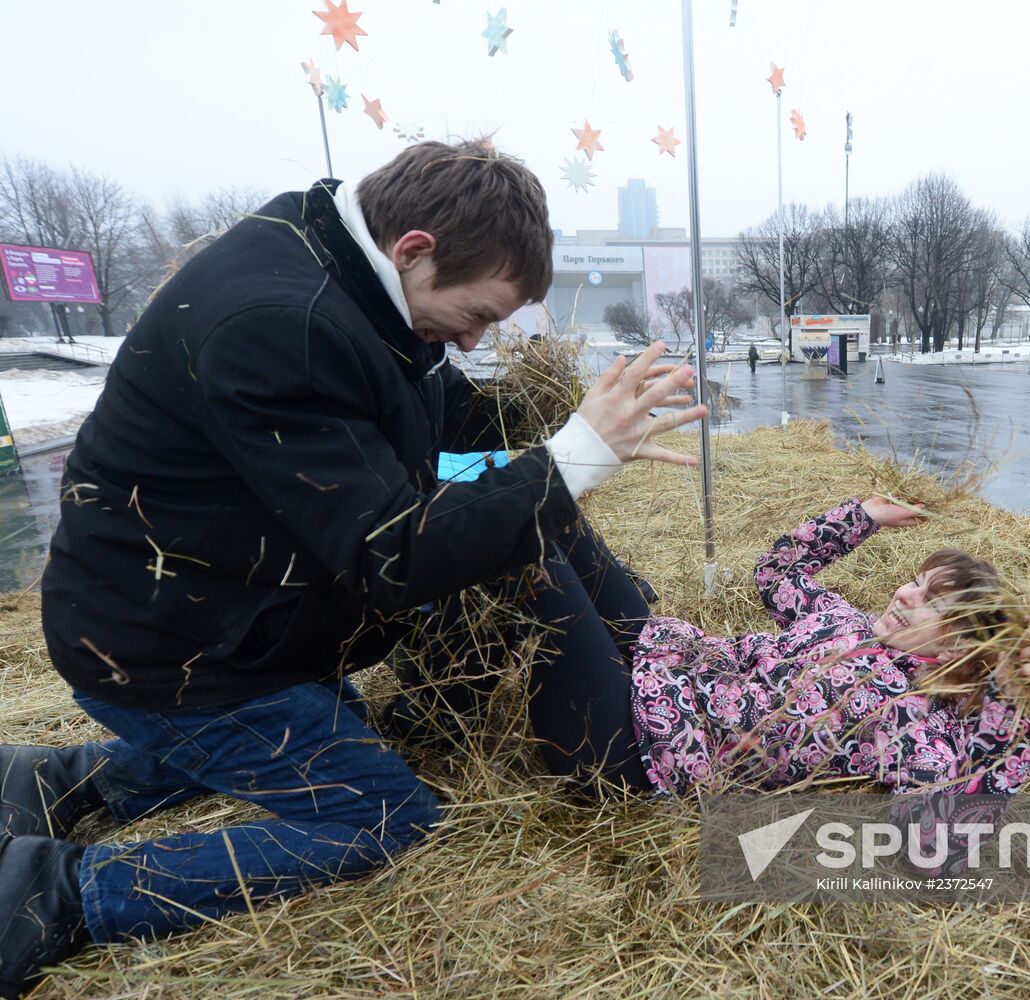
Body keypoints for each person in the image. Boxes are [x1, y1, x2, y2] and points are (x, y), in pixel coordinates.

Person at [0, 140, 709, 997]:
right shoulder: (280, 326)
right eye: (478, 314)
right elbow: (394, 555)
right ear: (415, 248)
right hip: (164, 646)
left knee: (328, 724)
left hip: (215, 600)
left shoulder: (338, 262)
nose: (478, 338)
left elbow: (421, 406)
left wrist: (556, 423)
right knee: (379, 811)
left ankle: (64, 779)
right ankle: (51, 892)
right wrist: (571, 462)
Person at [415, 496, 1030, 799]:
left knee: (525, 551)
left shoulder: (909, 727)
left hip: (626, 741)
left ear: (956, 653)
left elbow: (969, 801)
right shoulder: (845, 621)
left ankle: (421, 710)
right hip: (668, 662)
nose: (905, 594)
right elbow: (776, 574)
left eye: (932, 604)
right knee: (551, 516)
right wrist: (861, 516)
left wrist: (1021, 695)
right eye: (915, 580)